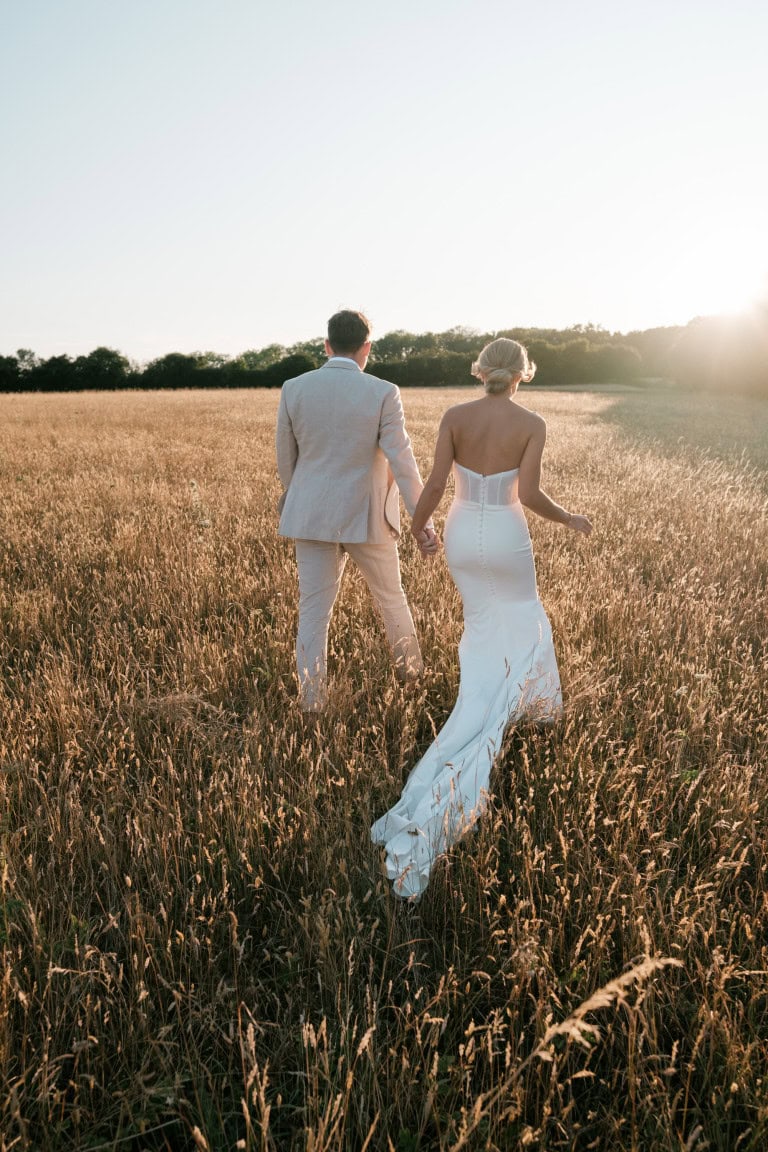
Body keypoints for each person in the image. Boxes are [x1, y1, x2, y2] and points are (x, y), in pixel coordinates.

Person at [371, 337, 593, 899]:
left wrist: (421, 529)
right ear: (522, 374)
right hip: (507, 533)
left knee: (481, 624)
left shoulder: (455, 416)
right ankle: (522, 707)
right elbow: (532, 493)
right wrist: (569, 519)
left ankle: (483, 701)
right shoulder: (532, 422)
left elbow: (439, 485)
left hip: (462, 533)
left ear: (482, 371)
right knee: (522, 617)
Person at [276, 310, 438, 712]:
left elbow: (286, 460)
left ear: (327, 344)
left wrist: (303, 500)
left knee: (313, 610)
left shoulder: (293, 388)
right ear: (367, 347)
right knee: (391, 599)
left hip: (310, 517)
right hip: (369, 520)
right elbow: (403, 462)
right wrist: (423, 522)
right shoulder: (383, 391)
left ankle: (312, 703)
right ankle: (411, 682)